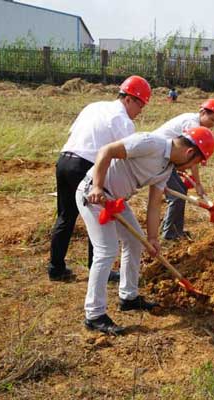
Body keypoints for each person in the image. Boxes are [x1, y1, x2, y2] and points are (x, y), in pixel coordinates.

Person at [76, 127, 214, 334]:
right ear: (189, 153)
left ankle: (128, 297)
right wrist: (97, 186)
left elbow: (154, 205)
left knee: (136, 242)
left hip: (116, 201)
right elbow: (106, 151)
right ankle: (94, 314)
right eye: (194, 164)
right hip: (94, 195)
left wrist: (152, 238)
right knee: (106, 251)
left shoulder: (167, 169)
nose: (190, 169)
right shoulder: (151, 143)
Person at [47, 75, 151, 282]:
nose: (140, 112)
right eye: (141, 105)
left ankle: (55, 268)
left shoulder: (94, 106)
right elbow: (122, 156)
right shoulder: (123, 122)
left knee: (65, 216)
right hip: (86, 166)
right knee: (97, 217)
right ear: (129, 98)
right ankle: (96, 266)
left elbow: (74, 132)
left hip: (64, 162)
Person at [151, 99, 214, 240]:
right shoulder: (192, 124)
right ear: (202, 112)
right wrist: (197, 183)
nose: (212, 125)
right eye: (211, 119)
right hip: (158, 157)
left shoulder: (193, 121)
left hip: (168, 157)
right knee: (177, 196)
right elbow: (192, 159)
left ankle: (175, 230)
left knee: (181, 191)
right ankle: (169, 236)